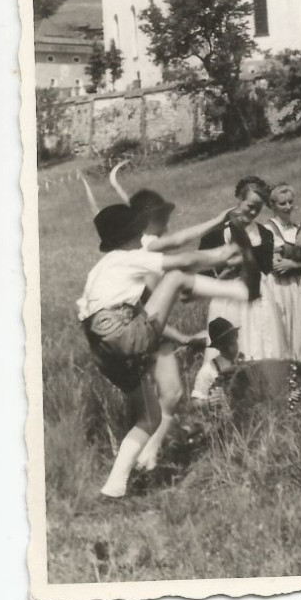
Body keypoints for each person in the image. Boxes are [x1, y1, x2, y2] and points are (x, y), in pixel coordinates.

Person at [77, 203, 247, 498]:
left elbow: (111, 318)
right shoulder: (129, 258)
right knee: (176, 278)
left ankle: (114, 488)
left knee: (150, 415)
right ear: (133, 235)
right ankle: (240, 292)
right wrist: (220, 254)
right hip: (122, 332)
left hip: (102, 347)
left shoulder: (101, 270)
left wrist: (179, 337)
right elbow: (182, 260)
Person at [108, 168, 232, 470]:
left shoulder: (137, 245)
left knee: (161, 397)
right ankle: (145, 458)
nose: (168, 224)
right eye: (162, 216)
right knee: (170, 393)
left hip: (140, 328)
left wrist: (183, 338)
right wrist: (218, 220)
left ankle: (142, 459)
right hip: (138, 329)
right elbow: (179, 240)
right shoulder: (146, 243)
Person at [200, 177, 289, 363]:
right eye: (250, 205)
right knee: (231, 341)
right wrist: (219, 275)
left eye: (259, 208)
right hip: (228, 296)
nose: (254, 211)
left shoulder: (264, 234)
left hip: (257, 293)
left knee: (261, 339)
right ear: (239, 200)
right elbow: (202, 268)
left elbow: (265, 266)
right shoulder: (218, 232)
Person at [263, 183, 301, 367]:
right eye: (282, 203)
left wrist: (294, 264)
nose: (287, 207)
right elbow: (275, 264)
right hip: (279, 287)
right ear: (273, 205)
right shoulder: (269, 229)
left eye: (290, 202)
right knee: (284, 330)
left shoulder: (298, 229)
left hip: (298, 284)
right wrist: (298, 264)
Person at [191, 317, 243, 406]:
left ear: (236, 338)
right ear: (217, 347)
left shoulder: (246, 360)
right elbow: (194, 403)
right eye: (225, 347)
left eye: (233, 343)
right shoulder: (208, 370)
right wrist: (208, 402)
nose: (231, 350)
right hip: (223, 417)